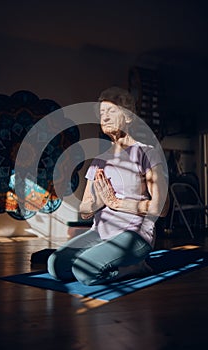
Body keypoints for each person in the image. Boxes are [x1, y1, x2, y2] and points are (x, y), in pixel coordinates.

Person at [47, 87, 169, 285]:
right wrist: (97, 203)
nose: (104, 117)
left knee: (84, 272)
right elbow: (84, 209)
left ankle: (135, 266)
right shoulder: (98, 160)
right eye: (102, 113)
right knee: (56, 265)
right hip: (101, 232)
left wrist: (116, 203)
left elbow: (161, 208)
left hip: (135, 235)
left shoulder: (148, 153)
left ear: (129, 117)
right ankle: (104, 257)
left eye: (111, 111)